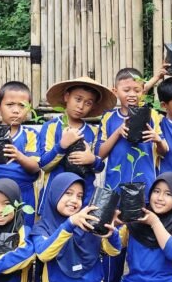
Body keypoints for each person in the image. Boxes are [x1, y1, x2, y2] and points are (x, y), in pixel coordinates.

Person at [97, 67, 164, 282]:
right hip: (115, 191)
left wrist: (157, 139)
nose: (132, 94)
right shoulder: (108, 118)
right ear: (116, 91)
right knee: (113, 245)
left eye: (137, 89)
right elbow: (100, 153)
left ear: (143, 91)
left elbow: (164, 151)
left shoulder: (152, 116)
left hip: (145, 190)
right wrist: (118, 132)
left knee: (142, 245)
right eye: (127, 89)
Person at [38, 76, 117, 209]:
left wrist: (91, 159)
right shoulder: (51, 127)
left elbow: (99, 166)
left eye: (88, 103)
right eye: (78, 99)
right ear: (66, 97)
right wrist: (62, 145)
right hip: (55, 197)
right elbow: (44, 164)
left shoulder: (93, 131)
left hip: (84, 199)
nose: (81, 106)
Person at [0, 81, 41, 227]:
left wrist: (18, 156)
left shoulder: (31, 135)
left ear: (29, 108)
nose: (16, 110)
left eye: (22, 105)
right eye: (10, 105)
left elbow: (35, 167)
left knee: (24, 234)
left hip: (24, 193)